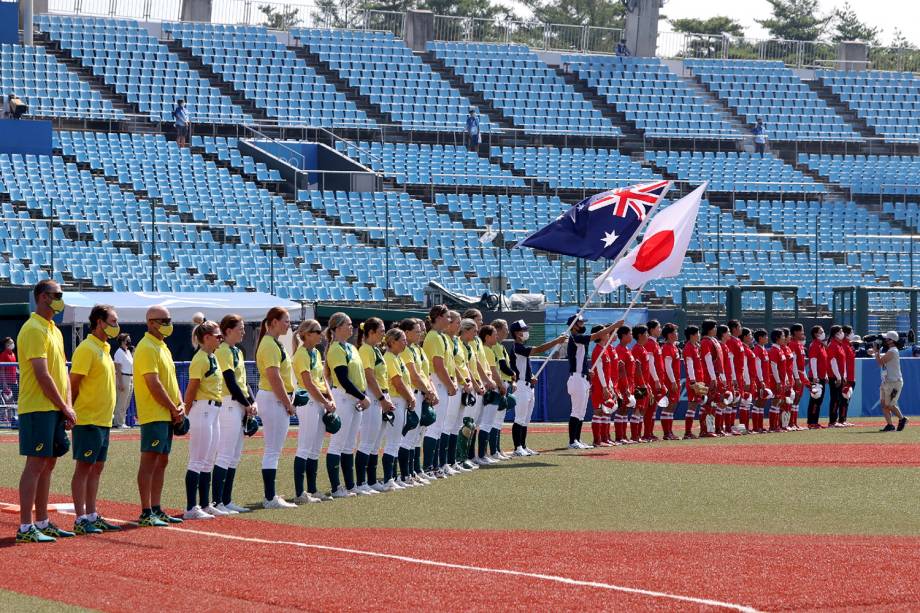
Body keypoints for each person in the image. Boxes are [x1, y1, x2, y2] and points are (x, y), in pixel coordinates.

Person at [15, 281, 74, 543]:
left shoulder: (54, 330)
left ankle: (41, 521)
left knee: (48, 464)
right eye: (56, 295)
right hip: (38, 407)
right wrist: (64, 406)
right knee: (36, 464)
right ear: (42, 297)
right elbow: (42, 374)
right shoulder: (33, 328)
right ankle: (26, 526)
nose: (60, 299)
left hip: (54, 407)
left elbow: (62, 371)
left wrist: (68, 406)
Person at [69, 304, 122, 535]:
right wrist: (70, 411)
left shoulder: (105, 348)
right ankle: (80, 518)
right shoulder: (87, 348)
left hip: (103, 420)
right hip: (88, 419)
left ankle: (91, 514)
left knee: (97, 468)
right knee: (84, 468)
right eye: (112, 321)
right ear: (99, 322)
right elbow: (74, 383)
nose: (116, 326)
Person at [134, 305, 185, 526]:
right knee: (150, 461)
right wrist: (173, 407)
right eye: (164, 320)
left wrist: (180, 404)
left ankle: (156, 507)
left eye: (169, 319)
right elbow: (153, 383)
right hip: (154, 413)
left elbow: (171, 382)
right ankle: (146, 511)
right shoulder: (146, 347)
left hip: (167, 413)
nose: (168, 323)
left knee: (162, 461)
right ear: (151, 322)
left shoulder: (162, 346)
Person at [212, 314, 256, 513]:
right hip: (230, 404)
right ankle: (217, 502)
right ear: (228, 331)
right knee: (225, 454)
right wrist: (247, 403)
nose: (243, 331)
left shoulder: (236, 351)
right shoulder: (223, 351)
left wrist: (252, 402)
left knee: (234, 455)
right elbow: (230, 381)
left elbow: (243, 382)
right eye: (240, 328)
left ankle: (226, 500)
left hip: (239, 404)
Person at [182, 320, 225, 520]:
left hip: (213, 410)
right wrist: (185, 412)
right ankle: (191, 507)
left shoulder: (212, 357)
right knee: (197, 460)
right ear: (206, 338)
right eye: (217, 336)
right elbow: (191, 389)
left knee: (208, 460)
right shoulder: (200, 359)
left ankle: (205, 504)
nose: (220, 338)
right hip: (202, 410)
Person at [255, 306, 297, 508]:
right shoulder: (270, 345)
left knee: (274, 449)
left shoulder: (273, 343)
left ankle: (271, 496)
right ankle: (270, 497)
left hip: (274, 397)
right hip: (273, 398)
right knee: (273, 449)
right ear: (273, 322)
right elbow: (274, 377)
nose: (288, 324)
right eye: (285, 320)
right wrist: (288, 402)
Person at [325, 312, 369, 497]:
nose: (351, 327)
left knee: (349, 443)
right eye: (348, 324)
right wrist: (361, 396)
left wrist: (361, 395)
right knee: (337, 443)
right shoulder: (335, 349)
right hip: (344, 397)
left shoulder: (351, 347)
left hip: (354, 399)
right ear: (337, 328)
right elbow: (343, 379)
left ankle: (350, 485)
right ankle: (336, 488)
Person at [291, 319, 335, 503]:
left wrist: (330, 397)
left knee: (315, 448)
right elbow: (308, 383)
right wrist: (325, 401)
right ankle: (300, 493)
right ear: (306, 334)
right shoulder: (301, 354)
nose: (321, 334)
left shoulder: (315, 352)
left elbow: (322, 379)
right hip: (308, 401)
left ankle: (312, 489)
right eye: (317, 331)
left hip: (319, 401)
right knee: (305, 447)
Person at [508, 319, 566, 456]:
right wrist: (556, 341)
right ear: (517, 333)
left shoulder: (522, 347)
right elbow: (538, 350)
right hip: (521, 386)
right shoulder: (517, 347)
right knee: (520, 418)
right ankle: (517, 448)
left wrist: (532, 376)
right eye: (524, 330)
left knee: (526, 419)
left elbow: (524, 367)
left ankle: (523, 445)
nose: (526, 332)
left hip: (528, 386)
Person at [567, 315, 622, 449]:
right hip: (577, 378)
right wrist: (614, 326)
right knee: (576, 411)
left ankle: (577, 440)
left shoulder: (579, 339)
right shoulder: (575, 337)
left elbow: (581, 360)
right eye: (580, 322)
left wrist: (587, 371)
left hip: (583, 377)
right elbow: (594, 336)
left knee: (581, 412)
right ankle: (572, 441)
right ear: (573, 325)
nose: (582, 325)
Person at [356, 318, 393, 494]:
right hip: (372, 396)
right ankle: (361, 482)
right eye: (381, 330)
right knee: (366, 441)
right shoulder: (366, 350)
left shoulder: (374, 349)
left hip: (379, 396)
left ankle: (370, 480)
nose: (383, 334)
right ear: (371, 332)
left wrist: (385, 397)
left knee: (374, 442)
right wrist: (381, 397)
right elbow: (369, 377)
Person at [397, 318, 433, 484]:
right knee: (408, 436)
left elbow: (425, 373)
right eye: (417, 331)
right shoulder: (405, 350)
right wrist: (428, 391)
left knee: (415, 437)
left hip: (420, 393)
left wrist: (429, 390)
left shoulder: (417, 349)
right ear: (406, 333)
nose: (420, 334)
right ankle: (404, 474)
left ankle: (412, 472)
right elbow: (413, 375)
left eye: (421, 331)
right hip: (411, 394)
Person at [422, 305, 455, 474]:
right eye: (447, 316)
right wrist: (450, 384)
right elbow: (438, 365)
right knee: (434, 425)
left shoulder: (441, 337)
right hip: (436, 380)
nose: (449, 320)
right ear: (439, 317)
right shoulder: (434, 336)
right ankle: (429, 466)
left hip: (442, 382)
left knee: (439, 425)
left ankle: (434, 465)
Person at [381, 328, 414, 490]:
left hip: (399, 401)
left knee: (396, 441)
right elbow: (397, 382)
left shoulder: (396, 357)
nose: (405, 343)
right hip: (395, 400)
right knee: (393, 442)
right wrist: (410, 398)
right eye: (402, 340)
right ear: (392, 342)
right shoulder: (389, 357)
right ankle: (388, 479)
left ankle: (393, 477)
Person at [869, 331, 908, 432]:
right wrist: (874, 352)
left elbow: (880, 362)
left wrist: (876, 351)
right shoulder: (891, 350)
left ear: (891, 341)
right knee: (884, 404)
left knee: (890, 404)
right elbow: (881, 357)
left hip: (894, 382)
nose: (885, 340)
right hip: (887, 381)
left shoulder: (893, 351)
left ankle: (902, 419)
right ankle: (890, 425)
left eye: (887, 339)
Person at [589, 324, 616, 447]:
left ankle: (604, 438)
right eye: (605, 332)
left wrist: (609, 385)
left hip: (605, 385)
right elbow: (599, 370)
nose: (608, 334)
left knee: (606, 411)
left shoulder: (603, 350)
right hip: (599, 386)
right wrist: (605, 387)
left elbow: (607, 371)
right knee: (598, 411)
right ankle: (597, 440)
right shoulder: (597, 351)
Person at [643, 320, 666, 441]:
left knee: (653, 409)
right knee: (650, 408)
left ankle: (649, 432)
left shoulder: (655, 343)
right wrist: (656, 380)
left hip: (657, 380)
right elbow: (650, 364)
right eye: (658, 327)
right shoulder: (650, 344)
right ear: (652, 330)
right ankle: (647, 433)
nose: (660, 329)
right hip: (652, 381)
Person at [659, 323, 681, 441]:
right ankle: (667, 433)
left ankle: (670, 432)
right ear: (668, 335)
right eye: (673, 332)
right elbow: (668, 366)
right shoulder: (667, 347)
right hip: (669, 381)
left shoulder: (673, 347)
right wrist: (672, 382)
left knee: (672, 407)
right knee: (669, 406)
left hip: (674, 380)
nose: (676, 334)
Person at [682, 325, 703, 440]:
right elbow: (690, 365)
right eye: (697, 333)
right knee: (692, 406)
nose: (699, 335)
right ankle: (687, 432)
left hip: (697, 380)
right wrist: (694, 381)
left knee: (694, 406)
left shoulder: (694, 347)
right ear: (692, 335)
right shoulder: (688, 347)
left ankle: (688, 432)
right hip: (693, 381)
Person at [826, 325, 848, 428]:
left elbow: (842, 362)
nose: (842, 333)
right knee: (835, 398)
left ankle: (836, 421)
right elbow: (833, 361)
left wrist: (843, 376)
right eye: (840, 331)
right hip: (834, 377)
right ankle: (832, 421)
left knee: (838, 398)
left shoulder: (839, 345)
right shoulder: (833, 345)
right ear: (836, 334)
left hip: (839, 376)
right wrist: (838, 377)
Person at [807, 325, 828, 429]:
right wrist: (815, 376)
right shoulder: (814, 345)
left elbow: (823, 362)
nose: (823, 333)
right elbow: (813, 360)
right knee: (815, 399)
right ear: (816, 334)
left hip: (821, 376)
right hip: (816, 377)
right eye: (821, 331)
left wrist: (826, 375)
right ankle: (812, 422)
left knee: (819, 400)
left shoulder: (821, 345)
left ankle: (815, 421)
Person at [788, 324, 808, 430]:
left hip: (800, 374)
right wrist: (796, 377)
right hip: (795, 374)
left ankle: (794, 423)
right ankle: (789, 423)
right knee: (793, 398)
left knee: (797, 399)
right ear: (795, 332)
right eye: (801, 331)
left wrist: (804, 377)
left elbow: (801, 363)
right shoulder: (792, 344)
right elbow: (793, 363)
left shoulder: (799, 344)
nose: (803, 333)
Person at [751, 329, 772, 434]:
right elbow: (757, 367)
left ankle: (760, 426)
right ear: (760, 338)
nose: (767, 338)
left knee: (762, 403)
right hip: (761, 380)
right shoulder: (757, 350)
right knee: (758, 402)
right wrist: (761, 380)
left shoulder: (763, 349)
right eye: (765, 336)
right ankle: (756, 427)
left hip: (765, 379)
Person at [112, 333, 133, 429]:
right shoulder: (119, 352)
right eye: (127, 340)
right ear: (122, 341)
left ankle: (121, 421)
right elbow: (118, 369)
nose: (129, 341)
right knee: (121, 401)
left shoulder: (128, 352)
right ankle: (118, 422)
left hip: (130, 377)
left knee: (126, 401)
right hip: (123, 377)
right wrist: (120, 382)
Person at [840, 325, 857, 426]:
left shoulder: (848, 345)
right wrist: (844, 376)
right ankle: (842, 420)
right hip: (847, 377)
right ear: (846, 334)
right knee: (844, 399)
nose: (852, 334)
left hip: (851, 376)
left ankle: (843, 419)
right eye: (851, 332)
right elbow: (843, 363)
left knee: (847, 399)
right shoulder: (844, 345)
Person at [0, 335, 17, 405]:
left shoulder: (13, 354)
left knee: (13, 403)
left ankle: (11, 416)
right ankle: (6, 416)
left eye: (13, 342)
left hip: (14, 382)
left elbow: (14, 368)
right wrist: (4, 383)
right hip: (7, 383)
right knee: (8, 403)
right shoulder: (3, 355)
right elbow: (2, 370)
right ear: (7, 344)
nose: (13, 344)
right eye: (11, 342)